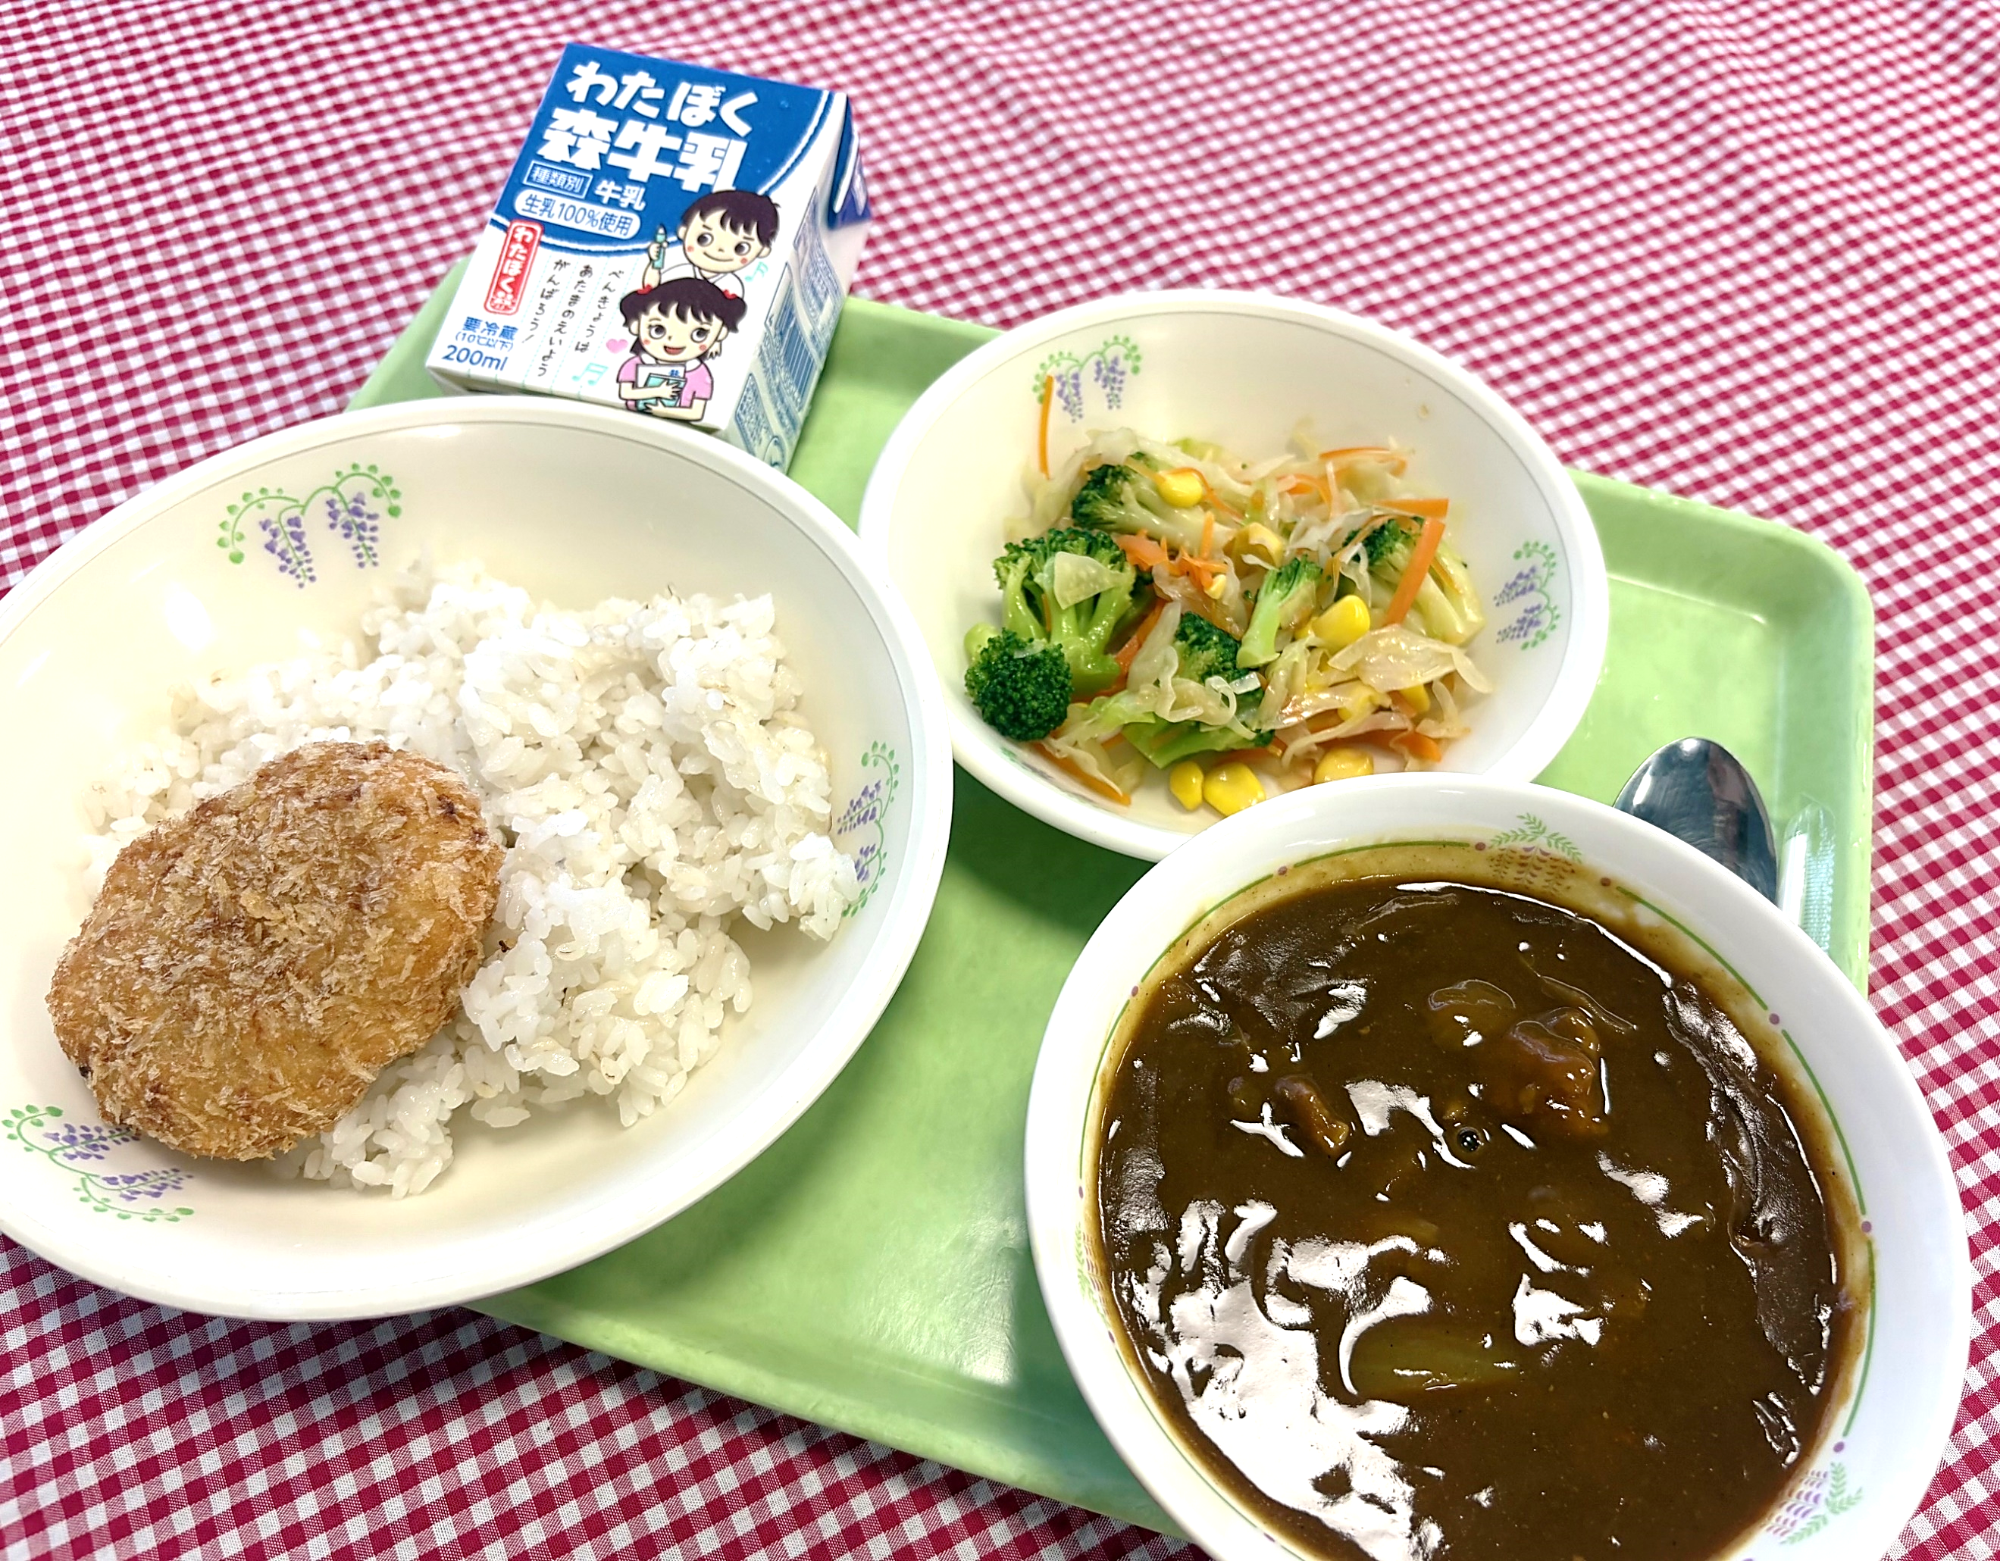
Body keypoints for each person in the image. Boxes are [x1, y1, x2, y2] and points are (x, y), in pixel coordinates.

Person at [614, 276, 746, 422]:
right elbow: (625, 392)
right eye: (658, 330)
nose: (675, 341)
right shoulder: (635, 363)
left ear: (720, 333)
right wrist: (658, 391)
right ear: (636, 325)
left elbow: (696, 413)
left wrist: (662, 411)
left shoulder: (698, 373)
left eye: (699, 334)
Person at [642, 188, 781, 300]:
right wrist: (654, 262)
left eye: (740, 248)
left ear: (762, 251)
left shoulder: (731, 286)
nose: (719, 250)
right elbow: (651, 289)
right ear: (684, 232)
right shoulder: (680, 272)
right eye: (704, 238)